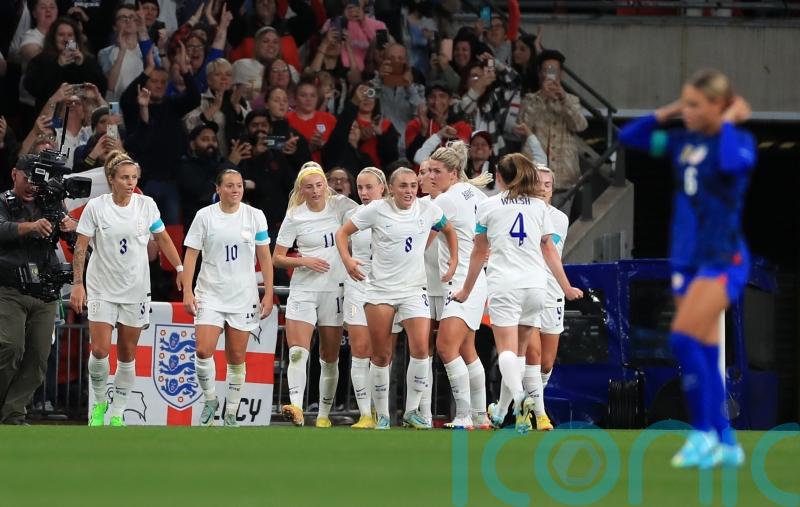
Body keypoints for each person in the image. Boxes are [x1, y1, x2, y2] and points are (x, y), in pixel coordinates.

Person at [619, 69, 755, 468]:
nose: (688, 112)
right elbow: (630, 138)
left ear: (719, 106)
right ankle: (723, 441)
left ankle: (704, 432)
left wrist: (727, 122)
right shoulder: (683, 144)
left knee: (681, 340)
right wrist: (672, 110)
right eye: (686, 103)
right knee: (706, 349)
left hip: (722, 259)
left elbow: (730, 163)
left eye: (696, 105)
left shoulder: (738, 142)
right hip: (688, 260)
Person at [452, 153, 582, 434]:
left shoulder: (488, 206)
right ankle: (501, 410)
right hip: (536, 287)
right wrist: (566, 286)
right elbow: (549, 249)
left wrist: (466, 289)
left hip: (504, 284)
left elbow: (478, 252)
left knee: (507, 351)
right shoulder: (539, 206)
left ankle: (521, 399)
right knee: (521, 352)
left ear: (499, 177)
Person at [335, 167, 458, 429]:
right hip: (380, 291)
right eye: (403, 186)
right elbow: (342, 233)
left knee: (422, 349)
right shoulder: (375, 210)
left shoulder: (428, 209)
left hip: (414, 289)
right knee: (380, 355)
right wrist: (347, 261)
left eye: (413, 185)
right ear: (391, 188)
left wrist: (454, 262)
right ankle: (382, 415)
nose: (410, 191)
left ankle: (412, 411)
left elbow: (449, 230)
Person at [70, 150, 183, 426]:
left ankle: (118, 411)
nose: (130, 182)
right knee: (99, 350)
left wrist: (180, 269)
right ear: (111, 179)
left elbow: (164, 239)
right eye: (124, 178)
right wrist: (77, 283)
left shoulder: (147, 205)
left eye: (133, 177)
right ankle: (99, 404)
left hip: (135, 290)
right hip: (101, 288)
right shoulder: (96, 207)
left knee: (127, 353)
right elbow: (81, 246)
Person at [181, 169, 274, 427]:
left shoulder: (255, 216)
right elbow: (191, 255)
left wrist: (268, 292)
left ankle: (231, 412)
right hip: (210, 292)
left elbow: (264, 256)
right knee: (203, 349)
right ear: (218, 189)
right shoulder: (205, 216)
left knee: (236, 356)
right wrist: (188, 291)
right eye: (230, 186)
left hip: (243, 295)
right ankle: (210, 400)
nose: (235, 190)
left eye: (239, 186)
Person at [273, 163, 358, 427]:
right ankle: (296, 406)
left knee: (329, 356)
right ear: (302, 189)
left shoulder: (341, 206)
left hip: (334, 289)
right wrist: (303, 261)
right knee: (298, 351)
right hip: (304, 288)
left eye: (319, 185)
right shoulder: (295, 216)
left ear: (326, 185)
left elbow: (371, 211)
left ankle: (323, 415)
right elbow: (277, 257)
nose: (315, 191)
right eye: (309, 187)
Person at [0, 155, 78, 425]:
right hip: (10, 289)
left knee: (38, 357)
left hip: (45, 291)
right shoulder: (3, 202)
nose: (33, 184)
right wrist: (30, 226)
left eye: (38, 179)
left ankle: (12, 413)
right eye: (28, 177)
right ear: (14, 174)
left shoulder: (52, 204)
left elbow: (79, 242)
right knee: (10, 347)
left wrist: (73, 228)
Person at [425, 141, 494, 430]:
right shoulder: (477, 194)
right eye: (428, 171)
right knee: (468, 350)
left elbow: (422, 242)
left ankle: (464, 414)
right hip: (478, 279)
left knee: (445, 346)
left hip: (462, 283)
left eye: (436, 171)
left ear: (453, 173)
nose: (430, 177)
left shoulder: (445, 200)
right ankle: (480, 415)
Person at [340, 167, 388, 429]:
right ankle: (365, 414)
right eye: (360, 188)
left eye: (369, 187)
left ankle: (383, 412)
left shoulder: (396, 211)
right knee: (360, 349)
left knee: (382, 353)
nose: (364, 193)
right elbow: (343, 242)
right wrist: (348, 262)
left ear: (382, 187)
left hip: (387, 287)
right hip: (358, 284)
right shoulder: (352, 215)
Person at [518, 49, 587, 216]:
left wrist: (562, 98)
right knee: (533, 230)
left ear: (561, 74)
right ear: (540, 73)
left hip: (563, 179)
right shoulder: (530, 99)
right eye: (546, 70)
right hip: (534, 179)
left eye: (553, 70)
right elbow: (522, 126)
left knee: (558, 232)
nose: (550, 74)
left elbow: (580, 125)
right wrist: (542, 96)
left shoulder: (571, 100)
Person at [531, 166, 569, 402]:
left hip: (551, 293)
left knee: (546, 363)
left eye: (547, 185)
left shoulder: (558, 218)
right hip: (527, 290)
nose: (542, 189)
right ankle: (529, 412)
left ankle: (530, 402)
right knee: (530, 356)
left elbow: (544, 250)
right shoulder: (518, 213)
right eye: (538, 183)